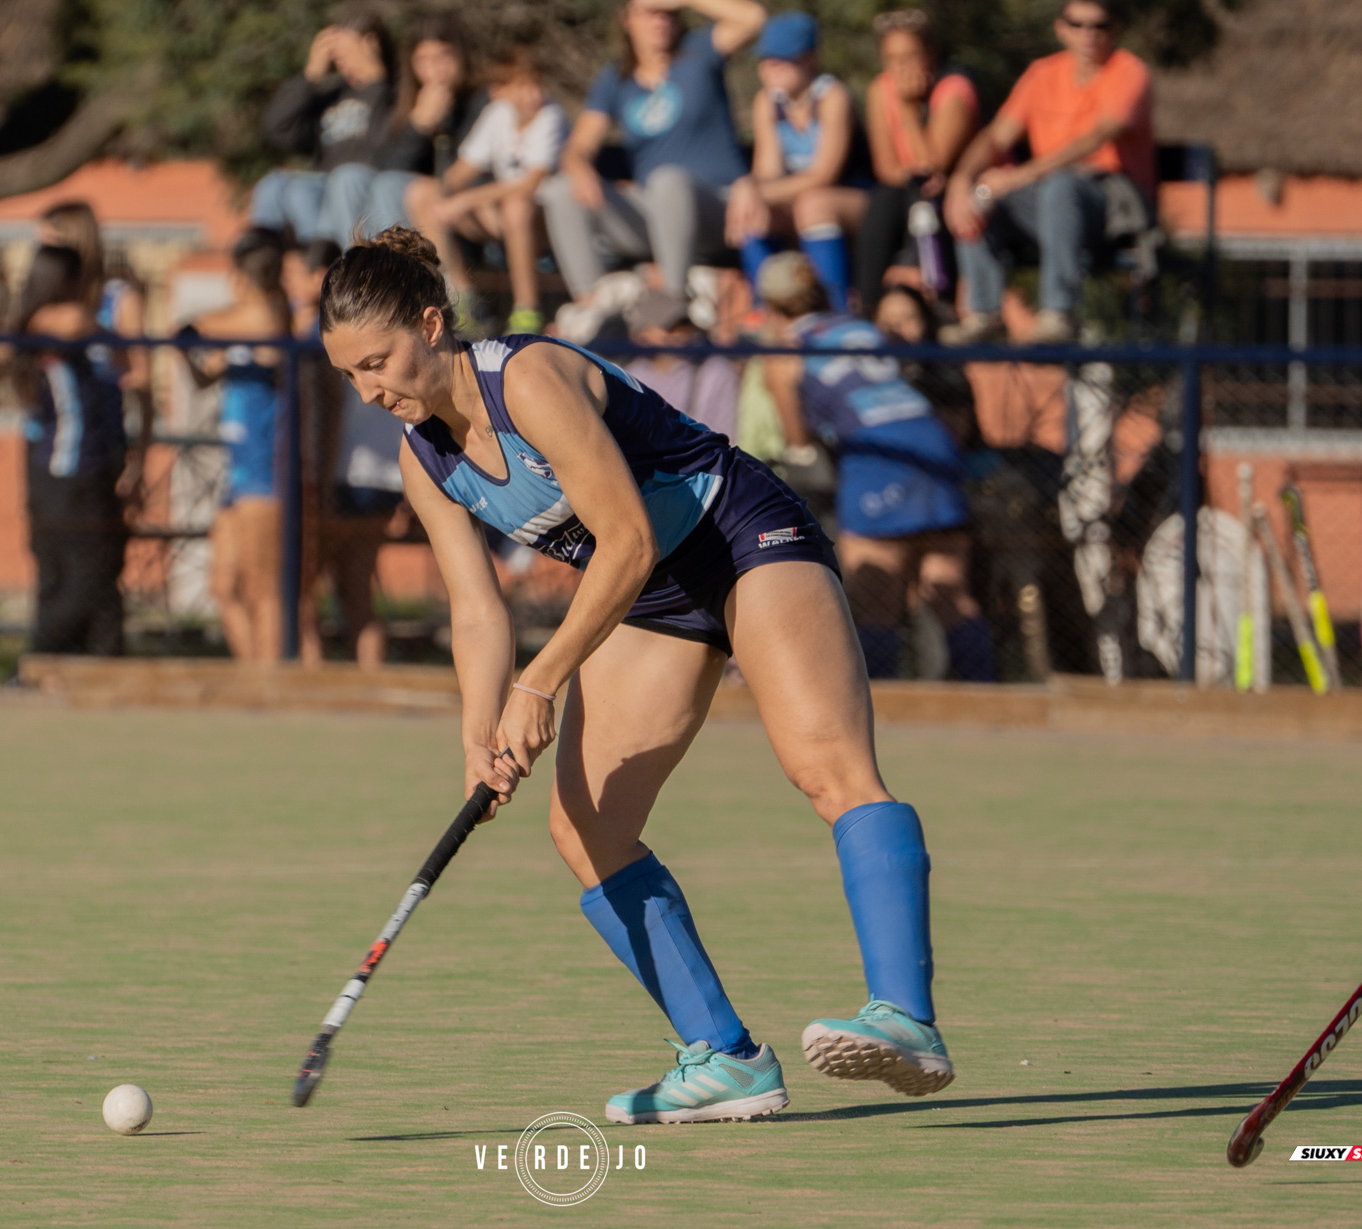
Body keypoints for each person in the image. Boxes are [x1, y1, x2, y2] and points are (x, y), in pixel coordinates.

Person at [319, 227, 955, 1123]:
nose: (368, 390)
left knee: (828, 767)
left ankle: (907, 1019)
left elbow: (626, 538)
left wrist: (538, 683)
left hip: (736, 535)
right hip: (650, 596)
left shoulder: (527, 380)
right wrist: (477, 739)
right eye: (349, 374)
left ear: (431, 325)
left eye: (376, 362)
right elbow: (476, 609)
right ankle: (727, 1057)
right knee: (587, 829)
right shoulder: (424, 458)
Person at [758, 252, 994, 682]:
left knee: (876, 605)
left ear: (773, 306)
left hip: (878, 456)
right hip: (931, 439)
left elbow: (799, 444)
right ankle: (991, 699)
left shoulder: (784, 350)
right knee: (951, 596)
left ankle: (876, 707)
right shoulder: (860, 326)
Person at [941, 0, 1154, 345]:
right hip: (1050, 202)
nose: (1088, 34)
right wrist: (962, 180)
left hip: (1112, 204)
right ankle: (983, 314)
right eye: (1077, 24)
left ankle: (1059, 313)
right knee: (980, 197)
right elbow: (996, 136)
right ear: (1061, 28)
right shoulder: (1042, 74)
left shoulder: (1129, 72)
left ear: (1115, 30)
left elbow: (1098, 137)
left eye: (1098, 25)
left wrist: (1020, 176)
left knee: (1061, 186)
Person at [537, 0, 767, 305]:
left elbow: (754, 18)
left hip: (720, 207)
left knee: (668, 181)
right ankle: (593, 307)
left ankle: (673, 305)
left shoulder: (699, 53)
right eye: (650, 12)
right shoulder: (615, 79)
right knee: (559, 190)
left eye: (668, 13)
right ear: (627, 18)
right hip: (654, 212)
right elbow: (576, 149)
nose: (660, 21)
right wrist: (580, 168)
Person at [179, 230, 292, 662]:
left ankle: (271, 681)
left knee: (263, 588)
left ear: (242, 276)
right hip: (238, 473)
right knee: (224, 587)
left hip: (266, 473)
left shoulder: (269, 317)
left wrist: (191, 330)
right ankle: (253, 676)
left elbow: (223, 325)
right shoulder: (237, 329)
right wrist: (183, 349)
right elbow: (203, 374)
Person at [13, 245, 130, 656]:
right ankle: (36, 658)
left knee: (100, 576)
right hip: (68, 466)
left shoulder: (52, 322)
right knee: (85, 577)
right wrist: (113, 329)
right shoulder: (50, 320)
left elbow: (121, 359)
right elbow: (109, 342)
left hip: (85, 464)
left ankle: (103, 662)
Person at [405, 45, 568, 336]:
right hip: (505, 221)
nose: (534, 95)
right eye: (522, 87)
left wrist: (465, 200)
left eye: (537, 84)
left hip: (547, 223)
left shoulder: (551, 117)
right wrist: (439, 194)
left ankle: (527, 310)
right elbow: (462, 171)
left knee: (517, 206)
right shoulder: (497, 114)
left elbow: (530, 184)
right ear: (498, 91)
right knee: (421, 193)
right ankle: (461, 298)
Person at [287, 237, 395, 667]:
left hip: (344, 475)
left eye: (295, 274)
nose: (289, 284)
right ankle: (370, 681)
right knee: (356, 590)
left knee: (298, 588)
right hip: (380, 476)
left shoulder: (322, 329)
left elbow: (331, 410)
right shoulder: (367, 321)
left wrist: (325, 479)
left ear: (319, 276)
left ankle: (311, 681)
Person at [724, 11, 870, 312]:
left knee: (813, 204)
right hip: (800, 201)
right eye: (766, 59)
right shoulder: (768, 102)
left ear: (809, 59)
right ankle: (766, 310)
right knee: (755, 209)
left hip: (854, 201)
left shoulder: (832, 97)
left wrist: (757, 191)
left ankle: (834, 309)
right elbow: (767, 171)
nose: (771, 68)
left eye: (782, 59)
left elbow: (824, 175)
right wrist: (748, 187)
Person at [854, 9, 979, 318]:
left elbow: (932, 164)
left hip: (952, 194)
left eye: (910, 57)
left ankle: (940, 303)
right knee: (885, 198)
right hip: (902, 193)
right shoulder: (880, 90)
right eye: (892, 59)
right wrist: (913, 176)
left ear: (930, 54)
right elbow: (886, 168)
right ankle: (866, 305)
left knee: (924, 197)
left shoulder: (955, 91)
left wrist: (909, 110)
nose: (901, 68)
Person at [253, 6, 399, 246]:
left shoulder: (396, 89)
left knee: (344, 179)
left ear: (370, 42)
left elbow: (389, 142)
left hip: (367, 181)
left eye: (344, 49)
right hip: (325, 182)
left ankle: (344, 260)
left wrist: (375, 77)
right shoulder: (335, 95)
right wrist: (310, 75)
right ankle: (264, 261)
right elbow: (277, 127)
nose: (339, 60)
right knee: (273, 185)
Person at [340, 14, 490, 247]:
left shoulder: (481, 100)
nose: (435, 69)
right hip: (418, 207)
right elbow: (386, 166)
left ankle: (396, 263)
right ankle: (366, 260)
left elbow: (470, 171)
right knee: (360, 180)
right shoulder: (407, 100)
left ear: (461, 57)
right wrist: (418, 126)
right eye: (424, 60)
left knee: (392, 186)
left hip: (465, 203)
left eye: (444, 57)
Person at [39, 201, 153, 508]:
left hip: (100, 452)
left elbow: (142, 382)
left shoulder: (118, 298)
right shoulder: (43, 302)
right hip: (46, 449)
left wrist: (139, 461)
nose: (42, 260)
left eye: (50, 247)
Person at [622, 286, 740, 439]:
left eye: (683, 324)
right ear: (641, 333)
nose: (679, 333)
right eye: (669, 327)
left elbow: (725, 438)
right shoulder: (629, 377)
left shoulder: (716, 371)